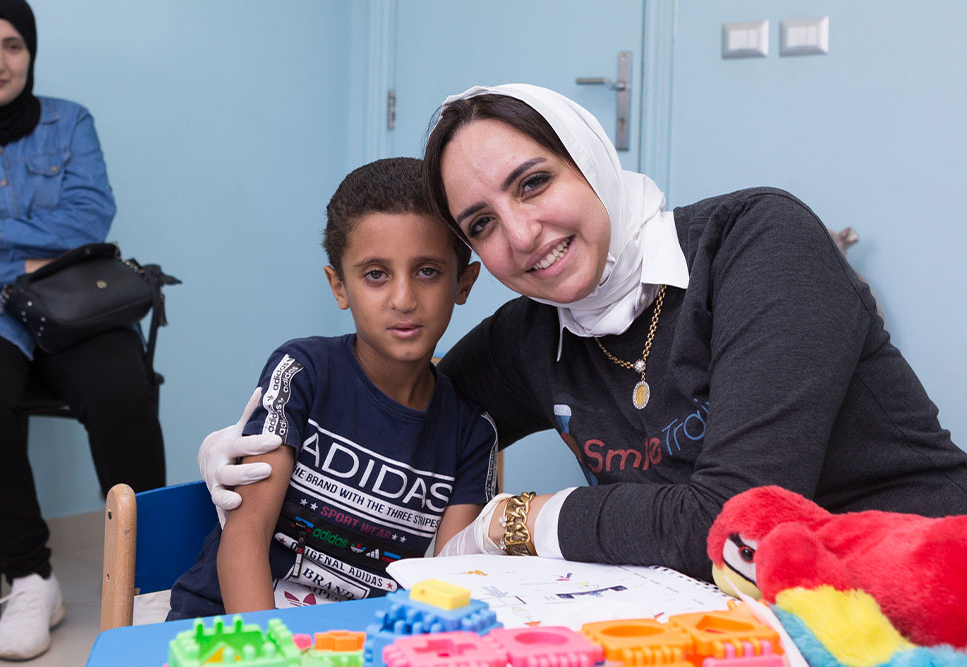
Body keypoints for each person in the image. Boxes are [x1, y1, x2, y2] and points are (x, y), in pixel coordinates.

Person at [201, 84, 967, 583]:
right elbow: (400, 407)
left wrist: (520, 519)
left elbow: (734, 517)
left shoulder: (758, 243)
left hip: (914, 578)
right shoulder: (532, 335)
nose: (523, 234)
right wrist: (258, 434)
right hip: (728, 610)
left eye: (534, 182)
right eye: (482, 224)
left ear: (592, 160)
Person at [168, 157, 496, 619]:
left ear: (463, 282)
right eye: (375, 274)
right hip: (237, 629)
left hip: (366, 644)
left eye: (427, 271)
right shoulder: (302, 372)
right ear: (339, 286)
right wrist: (269, 654)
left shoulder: (472, 432)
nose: (403, 299)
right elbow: (246, 539)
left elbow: (446, 588)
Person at [0, 0, 164, 659]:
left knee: (123, 388)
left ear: (31, 52)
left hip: (72, 300)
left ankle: (150, 579)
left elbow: (88, 219)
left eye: (13, 46)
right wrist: (20, 255)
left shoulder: (69, 121)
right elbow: (58, 231)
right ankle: (30, 578)